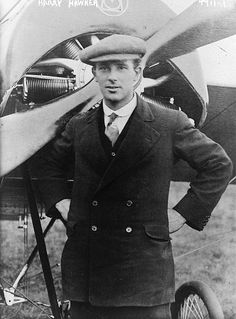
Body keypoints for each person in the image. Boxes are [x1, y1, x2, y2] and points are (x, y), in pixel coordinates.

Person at [38, 34, 233, 319]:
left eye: (121, 68)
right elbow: (47, 167)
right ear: (94, 74)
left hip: (144, 272)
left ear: (137, 73)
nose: (112, 77)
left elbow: (218, 164)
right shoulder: (79, 126)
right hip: (88, 268)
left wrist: (184, 213)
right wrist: (60, 202)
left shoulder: (169, 122)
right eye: (104, 69)